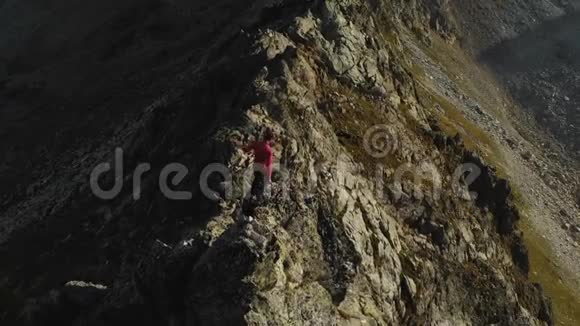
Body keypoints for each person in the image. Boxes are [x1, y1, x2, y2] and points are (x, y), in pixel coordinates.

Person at [242, 128, 274, 202]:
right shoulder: (269, 150)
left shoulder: (258, 144)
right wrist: (269, 177)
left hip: (255, 166)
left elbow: (248, 148)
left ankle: (252, 196)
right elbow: (269, 164)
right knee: (260, 184)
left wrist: (243, 149)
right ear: (270, 139)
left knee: (256, 180)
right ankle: (255, 199)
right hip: (262, 168)